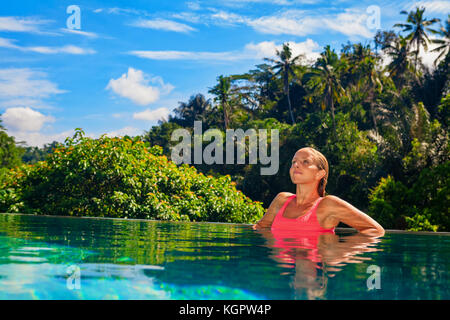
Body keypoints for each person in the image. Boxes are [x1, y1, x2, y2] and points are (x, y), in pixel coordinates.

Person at [252, 147, 385, 237]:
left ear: (319, 174)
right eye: (294, 162)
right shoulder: (281, 200)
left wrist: (340, 251)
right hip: (281, 274)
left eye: (305, 162)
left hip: (311, 272)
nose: (296, 165)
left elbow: (376, 230)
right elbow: (260, 227)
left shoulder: (328, 205)